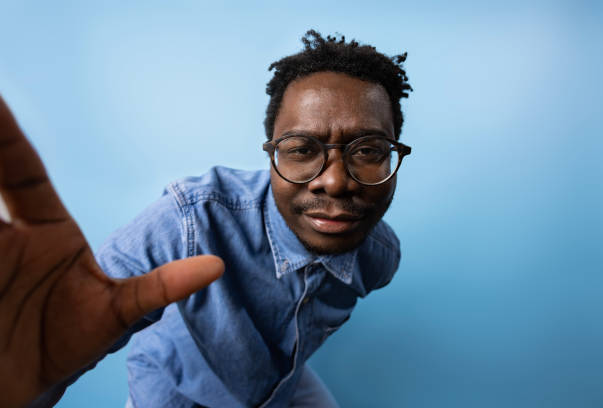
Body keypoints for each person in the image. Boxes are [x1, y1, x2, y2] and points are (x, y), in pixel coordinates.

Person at [0, 30, 412, 407]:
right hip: (176, 393)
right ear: (271, 156)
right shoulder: (188, 221)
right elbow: (71, 322)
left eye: (368, 150)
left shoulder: (378, 257)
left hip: (283, 385)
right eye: (302, 149)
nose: (336, 182)